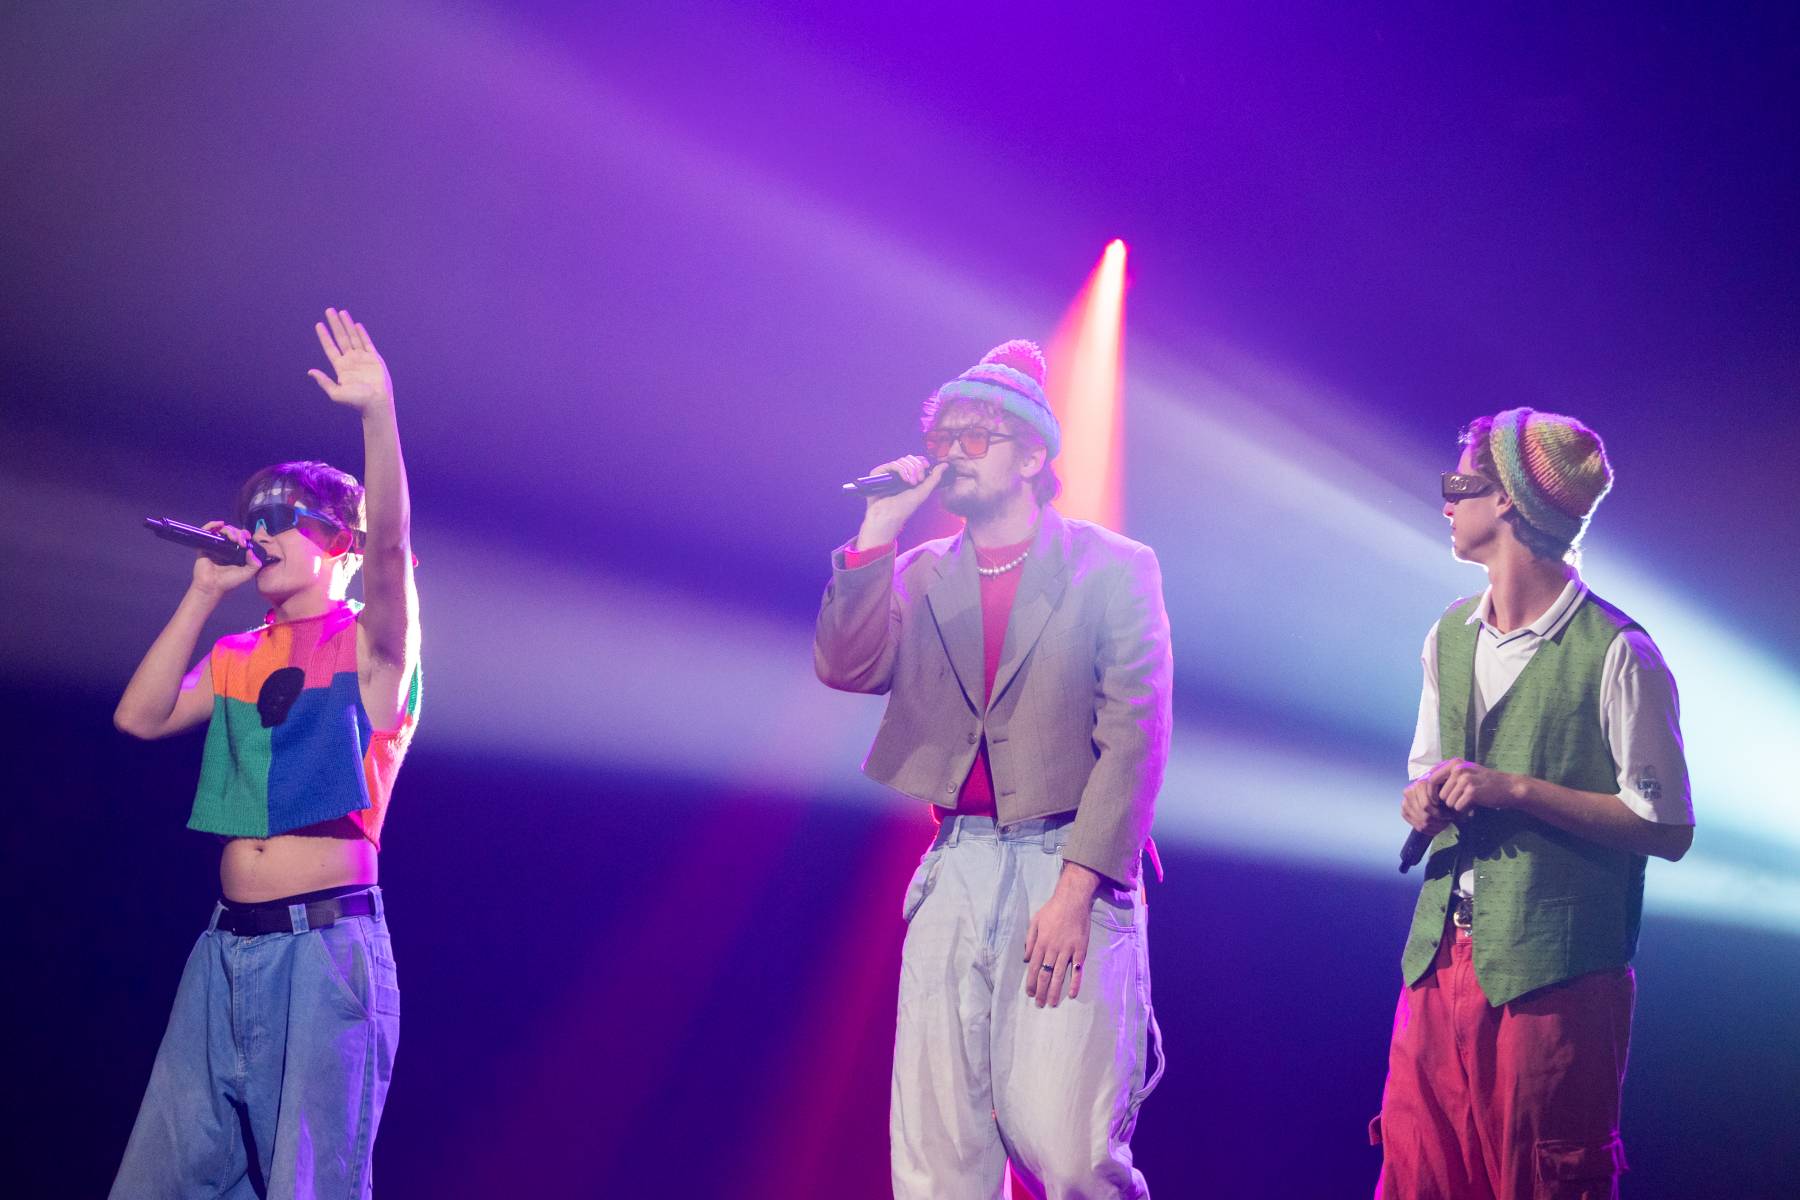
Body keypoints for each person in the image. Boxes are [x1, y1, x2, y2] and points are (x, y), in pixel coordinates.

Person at [815, 340, 1171, 1199]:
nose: (951, 453)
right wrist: (878, 531)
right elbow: (845, 665)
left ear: (1033, 457)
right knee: (940, 1160)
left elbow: (1135, 736)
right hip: (957, 865)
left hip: (1070, 860)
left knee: (1072, 1152)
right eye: (943, 438)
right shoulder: (918, 574)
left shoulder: (1113, 568)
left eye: (975, 437)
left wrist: (1077, 890)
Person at [110, 308, 421, 1199]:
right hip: (224, 951)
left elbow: (392, 547)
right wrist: (204, 592)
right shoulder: (240, 652)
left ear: (338, 543)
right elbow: (139, 717)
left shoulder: (371, 646)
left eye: (287, 516)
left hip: (322, 955)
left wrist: (377, 414)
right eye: (256, 516)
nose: (263, 529)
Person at [1371, 408, 1693, 1200]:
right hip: (1438, 963)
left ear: (1508, 499)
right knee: (1419, 1173)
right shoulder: (1450, 634)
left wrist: (1514, 789)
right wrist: (1423, 801)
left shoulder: (1619, 652)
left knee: (1543, 1177)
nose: (1446, 501)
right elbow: (1424, 771)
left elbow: (1667, 827)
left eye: (1459, 484)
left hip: (1555, 981)